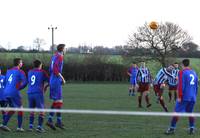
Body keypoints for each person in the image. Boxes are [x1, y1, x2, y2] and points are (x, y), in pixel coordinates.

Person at [165, 59, 198, 135]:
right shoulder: (194, 72)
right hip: (192, 97)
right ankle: (192, 128)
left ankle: (172, 129)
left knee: (176, 112)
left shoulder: (181, 72)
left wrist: (179, 96)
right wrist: (195, 95)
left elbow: (180, 86)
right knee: (190, 113)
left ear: (182, 64)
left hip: (184, 97)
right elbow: (196, 86)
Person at [0, 58, 27, 132]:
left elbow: (5, 82)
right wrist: (18, 88)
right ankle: (19, 127)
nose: (22, 63)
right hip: (14, 92)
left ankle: (3, 125)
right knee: (20, 108)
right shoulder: (20, 71)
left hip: (6, 92)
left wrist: (7, 89)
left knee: (13, 108)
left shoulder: (8, 71)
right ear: (19, 63)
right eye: (21, 62)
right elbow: (25, 82)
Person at [46, 44, 66, 130]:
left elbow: (51, 69)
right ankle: (52, 120)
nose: (66, 50)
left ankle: (57, 121)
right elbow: (55, 70)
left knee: (58, 101)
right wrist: (62, 78)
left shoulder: (54, 56)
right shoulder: (59, 57)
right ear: (62, 49)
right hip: (55, 80)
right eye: (65, 48)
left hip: (53, 80)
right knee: (58, 101)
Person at [27, 60, 49, 133]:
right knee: (42, 111)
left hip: (30, 93)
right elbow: (49, 81)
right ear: (40, 65)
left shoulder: (29, 72)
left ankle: (30, 127)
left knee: (32, 110)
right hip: (38, 93)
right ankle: (39, 127)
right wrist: (46, 87)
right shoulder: (42, 72)